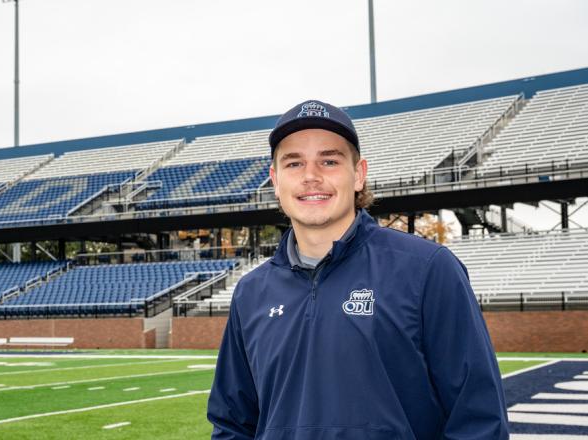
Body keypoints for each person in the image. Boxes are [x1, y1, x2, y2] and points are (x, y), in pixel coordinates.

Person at [207, 100, 509, 439]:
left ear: (359, 174)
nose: (311, 176)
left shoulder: (427, 270)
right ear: (275, 181)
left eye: (330, 160)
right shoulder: (250, 292)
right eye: (294, 163)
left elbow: (478, 419)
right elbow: (233, 423)